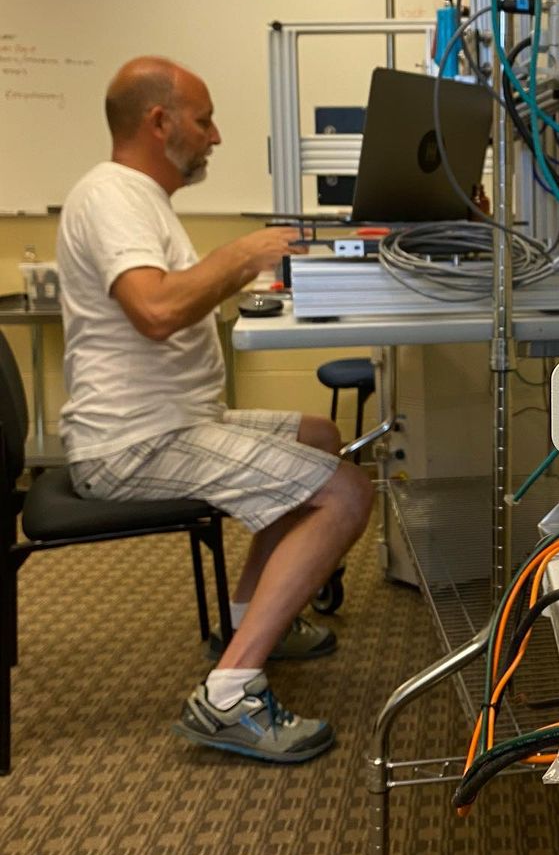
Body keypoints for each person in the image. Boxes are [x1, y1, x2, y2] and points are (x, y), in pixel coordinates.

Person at [56, 55, 373, 764]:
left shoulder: (139, 198)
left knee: (321, 435)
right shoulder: (112, 195)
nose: (216, 136)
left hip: (171, 422)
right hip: (133, 443)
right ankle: (228, 695)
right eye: (204, 120)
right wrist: (242, 254)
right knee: (348, 493)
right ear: (159, 121)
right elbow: (157, 308)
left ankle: (247, 621)